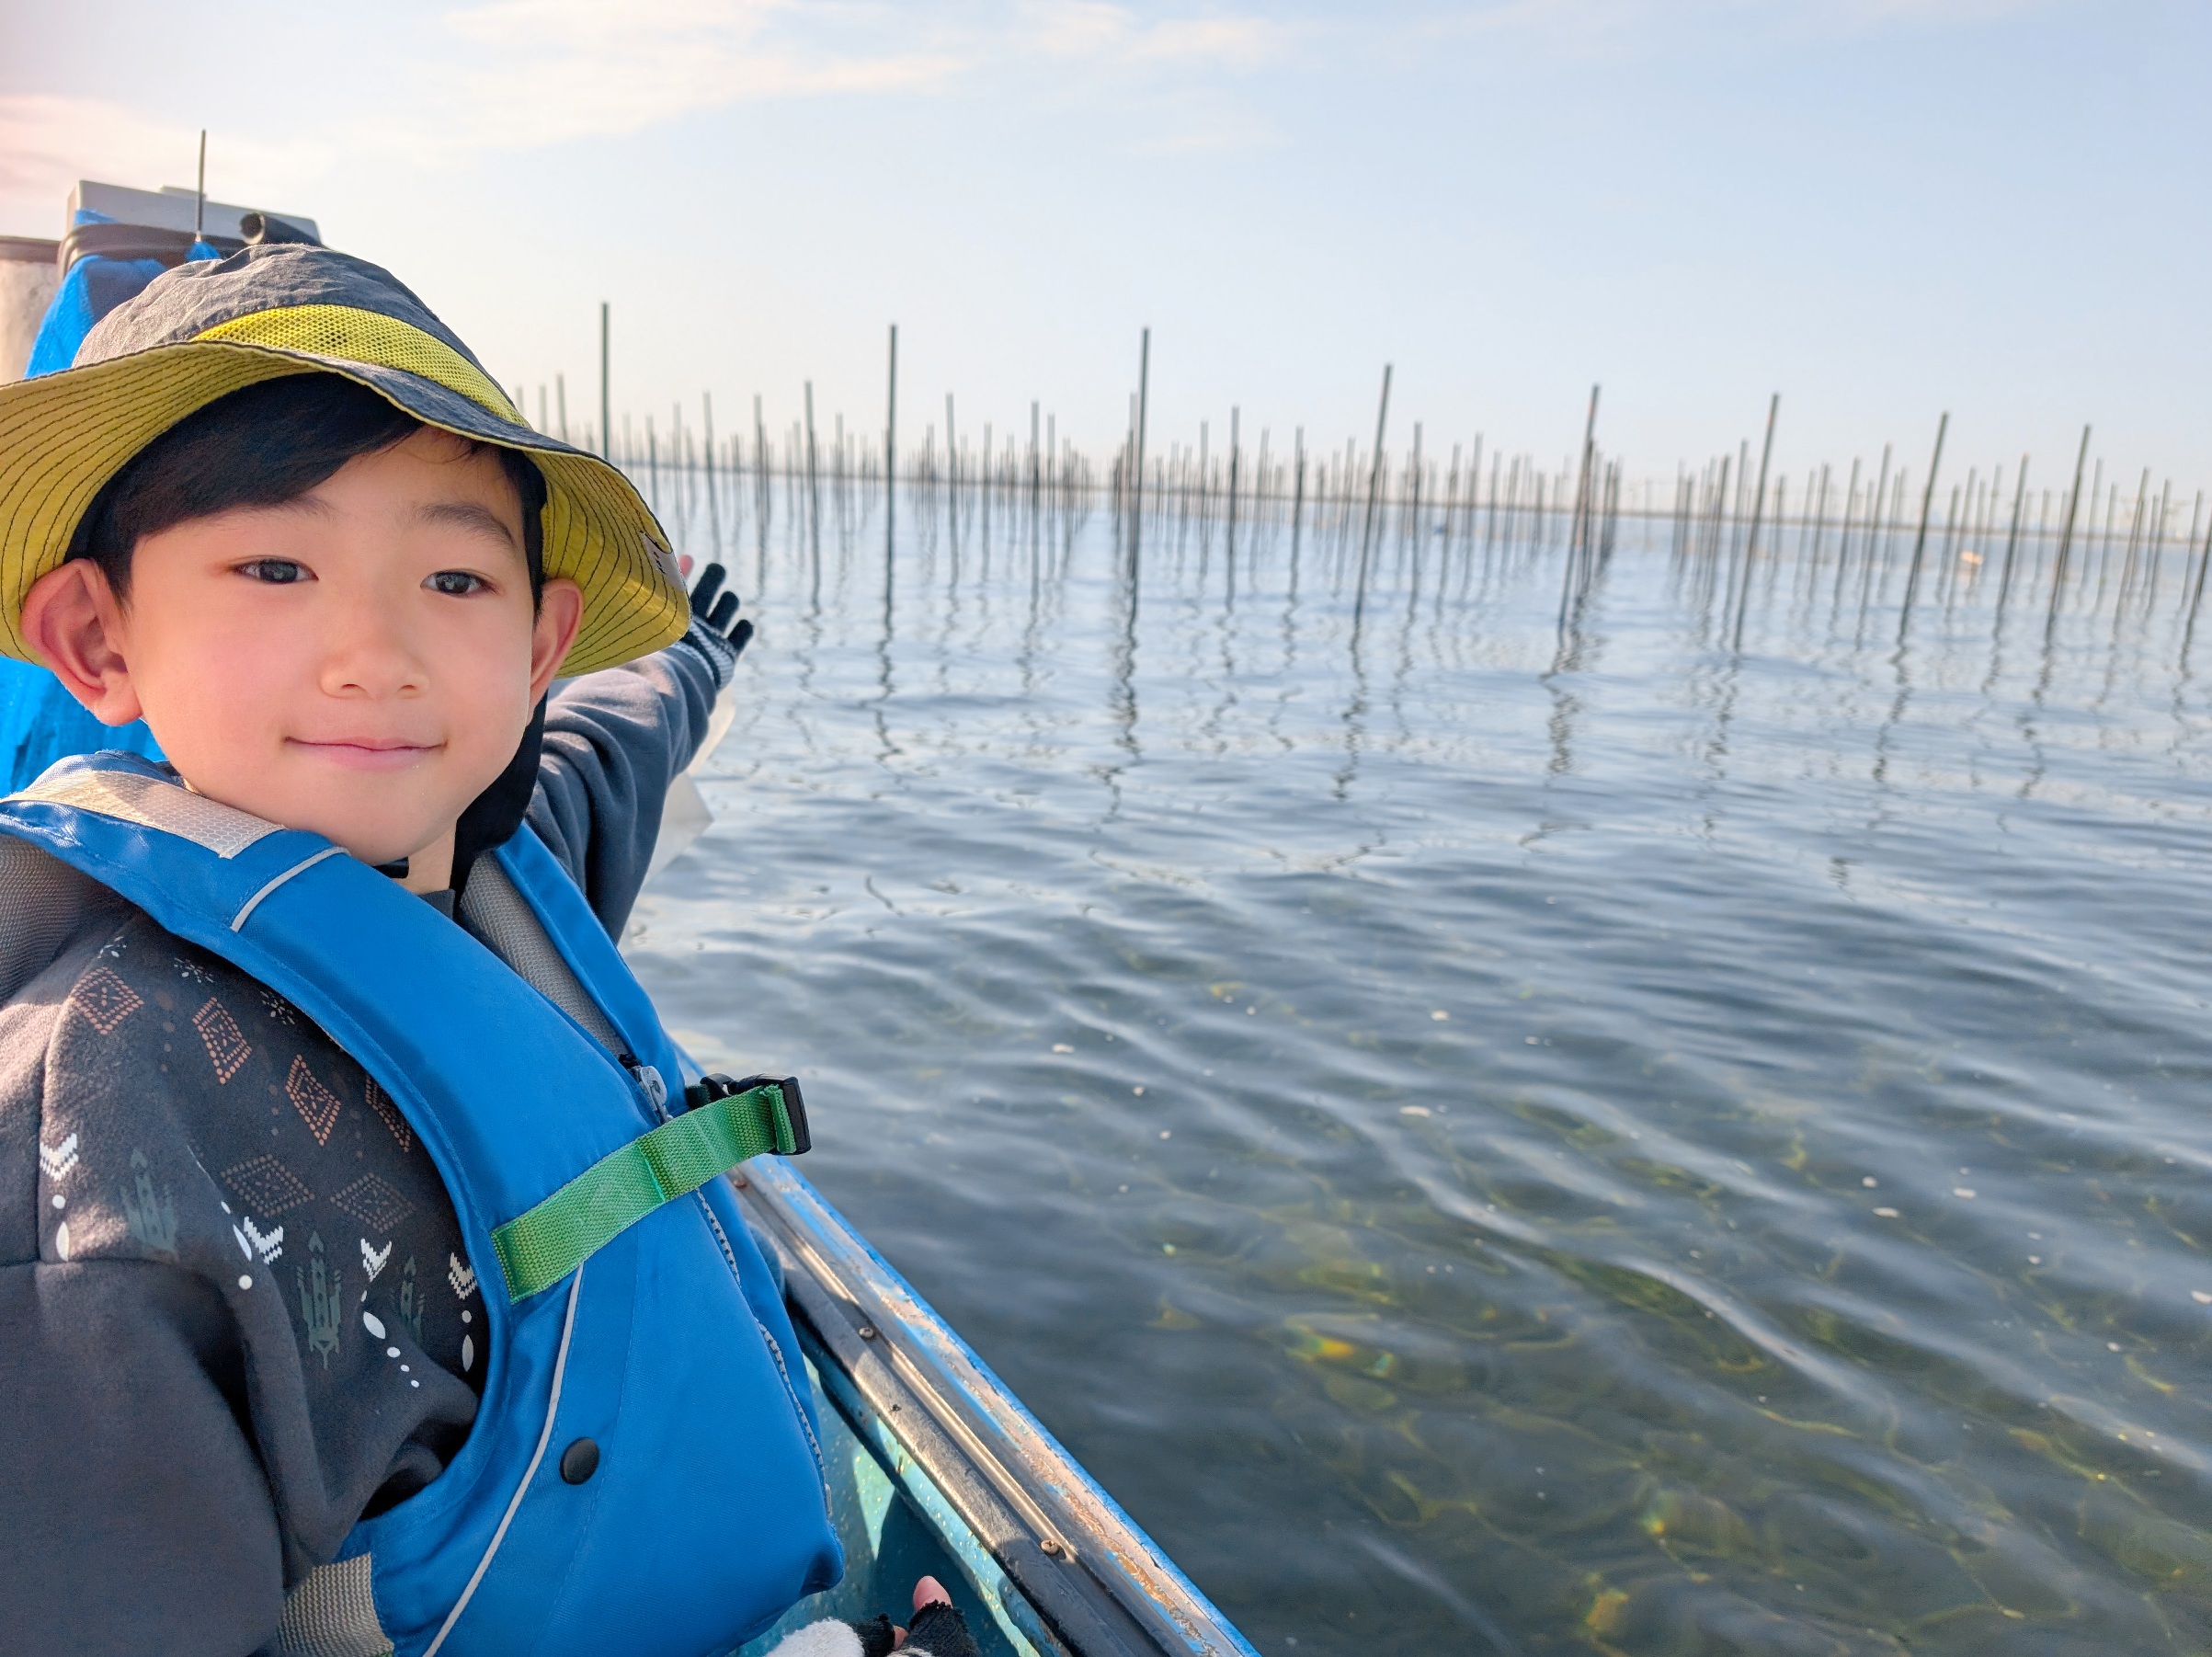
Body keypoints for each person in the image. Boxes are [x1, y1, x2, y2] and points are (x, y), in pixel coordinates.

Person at [0, 243, 972, 1657]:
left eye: (455, 579)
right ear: (96, 639)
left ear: (537, 647)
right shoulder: (92, 1147)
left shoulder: (495, 867)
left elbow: (599, 759)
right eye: (275, 564)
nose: (375, 651)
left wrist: (689, 662)